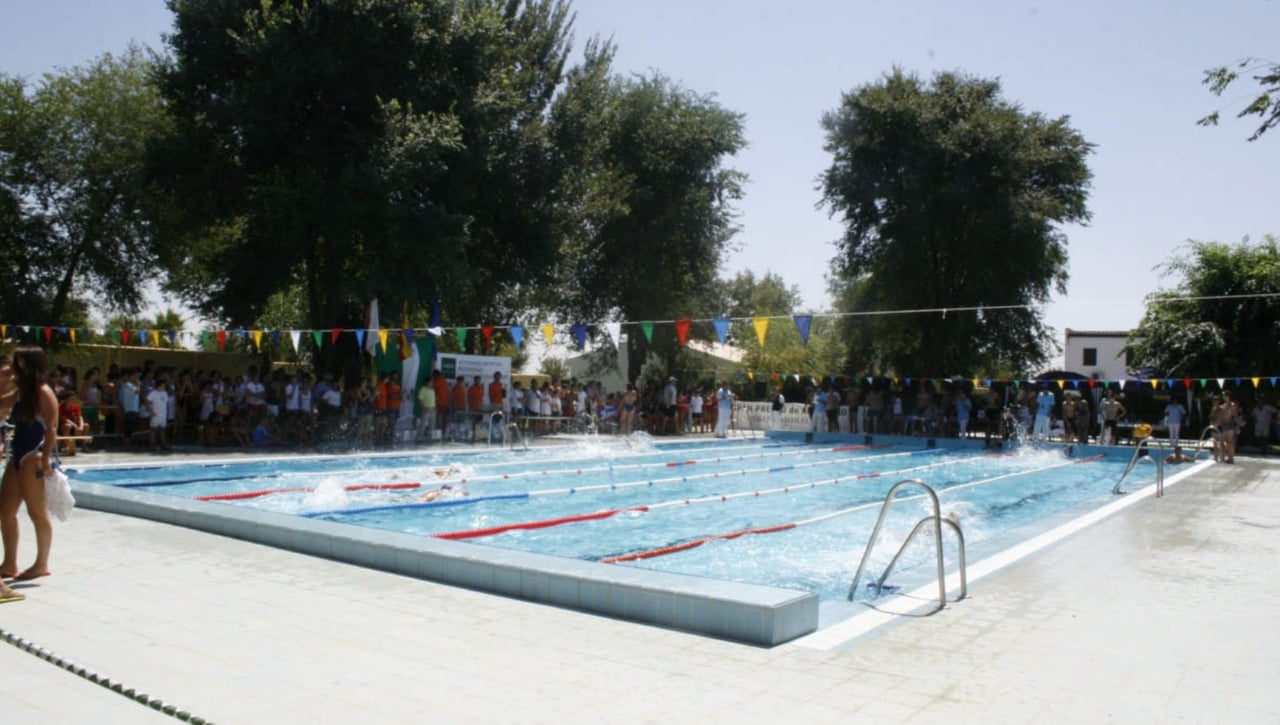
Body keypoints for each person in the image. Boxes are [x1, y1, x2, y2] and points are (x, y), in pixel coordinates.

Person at [1, 347, 59, 585]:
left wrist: (46, 459)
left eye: (16, 363)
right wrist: (3, 380)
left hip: (34, 455)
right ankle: (9, 562)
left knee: (37, 512)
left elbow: (52, 428)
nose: (12, 367)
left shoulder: (43, 392)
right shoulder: (20, 391)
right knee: (5, 511)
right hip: (17, 454)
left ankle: (41, 563)